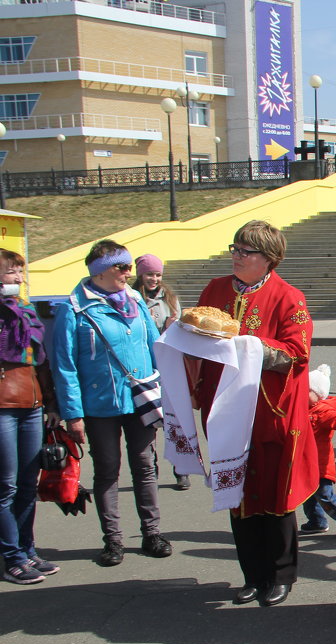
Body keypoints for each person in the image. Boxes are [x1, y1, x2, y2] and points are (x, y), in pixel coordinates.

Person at [193, 220, 318, 607]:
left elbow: (296, 354)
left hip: (269, 411)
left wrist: (247, 344)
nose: (236, 256)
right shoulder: (215, 289)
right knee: (238, 495)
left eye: (246, 251)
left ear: (269, 259)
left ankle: (281, 576)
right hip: (225, 409)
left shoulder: (287, 297)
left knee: (274, 495)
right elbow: (198, 335)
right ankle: (252, 575)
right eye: (235, 248)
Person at [50, 240, 171, 567]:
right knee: (107, 470)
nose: (130, 273)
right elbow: (64, 366)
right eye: (123, 267)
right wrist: (73, 414)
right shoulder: (74, 309)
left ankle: (152, 532)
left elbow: (153, 345)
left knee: (146, 466)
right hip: (100, 405)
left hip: (140, 399)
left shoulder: (134, 300)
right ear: (100, 270)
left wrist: (165, 387)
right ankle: (113, 541)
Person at [0, 249, 60, 584]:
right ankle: (11, 557)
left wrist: (51, 402)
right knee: (5, 485)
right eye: (11, 273)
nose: (18, 280)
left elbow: (41, 359)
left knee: (27, 483)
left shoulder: (25, 310)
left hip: (31, 401)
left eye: (20, 273)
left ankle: (26, 549)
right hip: (3, 405)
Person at [131, 252, 189, 490]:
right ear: (140, 275)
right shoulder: (133, 298)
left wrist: (172, 328)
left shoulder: (170, 299)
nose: (153, 279)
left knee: (175, 420)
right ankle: (149, 468)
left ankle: (181, 469)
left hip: (169, 364)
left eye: (157, 274)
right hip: (146, 367)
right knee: (148, 421)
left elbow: (181, 328)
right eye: (149, 274)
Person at [300, 364, 336, 538]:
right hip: (305, 463)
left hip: (320, 465)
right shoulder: (304, 408)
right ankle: (316, 521)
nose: (301, 393)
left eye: (306, 390)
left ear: (318, 395)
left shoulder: (323, 412)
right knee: (307, 495)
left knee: (325, 497)